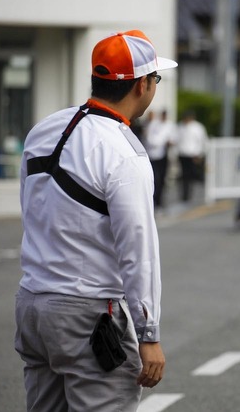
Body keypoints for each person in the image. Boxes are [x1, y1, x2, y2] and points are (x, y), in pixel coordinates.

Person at [15, 30, 177, 411]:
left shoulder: (44, 129)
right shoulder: (124, 151)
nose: (155, 86)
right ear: (142, 86)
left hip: (33, 306)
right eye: (156, 79)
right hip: (87, 313)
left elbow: (32, 211)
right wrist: (148, 333)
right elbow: (139, 249)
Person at [144, 109, 176, 209]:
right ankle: (153, 200)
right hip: (152, 155)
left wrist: (168, 143)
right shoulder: (154, 125)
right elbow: (150, 139)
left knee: (162, 179)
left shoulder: (170, 126)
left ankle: (159, 201)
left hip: (163, 155)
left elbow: (173, 139)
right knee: (154, 179)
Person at [176, 109, 208, 203]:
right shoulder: (180, 126)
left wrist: (200, 154)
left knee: (196, 175)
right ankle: (186, 196)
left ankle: (203, 193)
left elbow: (202, 141)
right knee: (185, 176)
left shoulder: (198, 127)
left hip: (194, 155)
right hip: (183, 154)